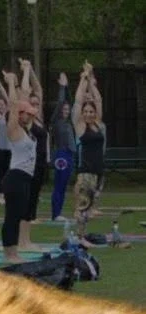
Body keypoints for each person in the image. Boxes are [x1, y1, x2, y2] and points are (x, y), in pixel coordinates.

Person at [0, 71, 36, 263]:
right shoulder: (13, 129)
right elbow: (14, 105)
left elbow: (25, 98)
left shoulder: (27, 131)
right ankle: (9, 253)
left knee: (19, 213)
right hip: (15, 177)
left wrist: (25, 73)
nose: (28, 116)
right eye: (25, 113)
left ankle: (14, 251)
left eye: (29, 114)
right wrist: (11, 82)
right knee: (12, 216)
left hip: (25, 178)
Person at [71, 61, 104, 242]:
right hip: (86, 173)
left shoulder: (98, 125)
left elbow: (98, 100)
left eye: (92, 111)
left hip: (99, 173)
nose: (90, 113)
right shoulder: (81, 126)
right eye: (87, 111)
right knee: (83, 206)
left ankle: (82, 235)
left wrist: (91, 78)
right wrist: (83, 79)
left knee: (90, 207)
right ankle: (79, 237)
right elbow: (77, 102)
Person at [20, 59, 47, 245]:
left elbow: (39, 91)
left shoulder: (39, 120)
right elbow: (24, 95)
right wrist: (26, 72)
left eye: (37, 104)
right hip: (28, 166)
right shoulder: (27, 121)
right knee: (25, 203)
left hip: (40, 166)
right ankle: (22, 240)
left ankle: (26, 239)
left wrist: (31, 71)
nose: (35, 107)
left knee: (33, 204)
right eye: (32, 104)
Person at [49, 72, 76, 222]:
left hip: (69, 154)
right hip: (61, 154)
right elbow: (61, 103)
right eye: (64, 110)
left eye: (67, 110)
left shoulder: (68, 121)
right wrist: (62, 87)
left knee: (64, 184)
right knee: (59, 184)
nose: (66, 111)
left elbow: (69, 101)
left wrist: (67, 89)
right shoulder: (57, 120)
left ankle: (58, 212)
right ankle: (55, 213)